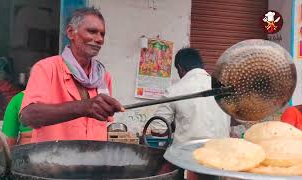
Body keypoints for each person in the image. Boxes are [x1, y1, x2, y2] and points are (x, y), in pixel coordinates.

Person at [19, 7, 124, 143]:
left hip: (94, 161)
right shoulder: (46, 68)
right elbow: (29, 116)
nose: (99, 39)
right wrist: (84, 107)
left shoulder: (103, 76)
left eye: (102, 34)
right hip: (52, 161)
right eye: (92, 31)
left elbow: (104, 122)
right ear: (70, 32)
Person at [150, 47, 231, 180]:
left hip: (189, 161)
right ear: (201, 66)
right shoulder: (222, 88)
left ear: (180, 68)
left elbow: (156, 129)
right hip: (221, 159)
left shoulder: (175, 90)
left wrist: (174, 126)